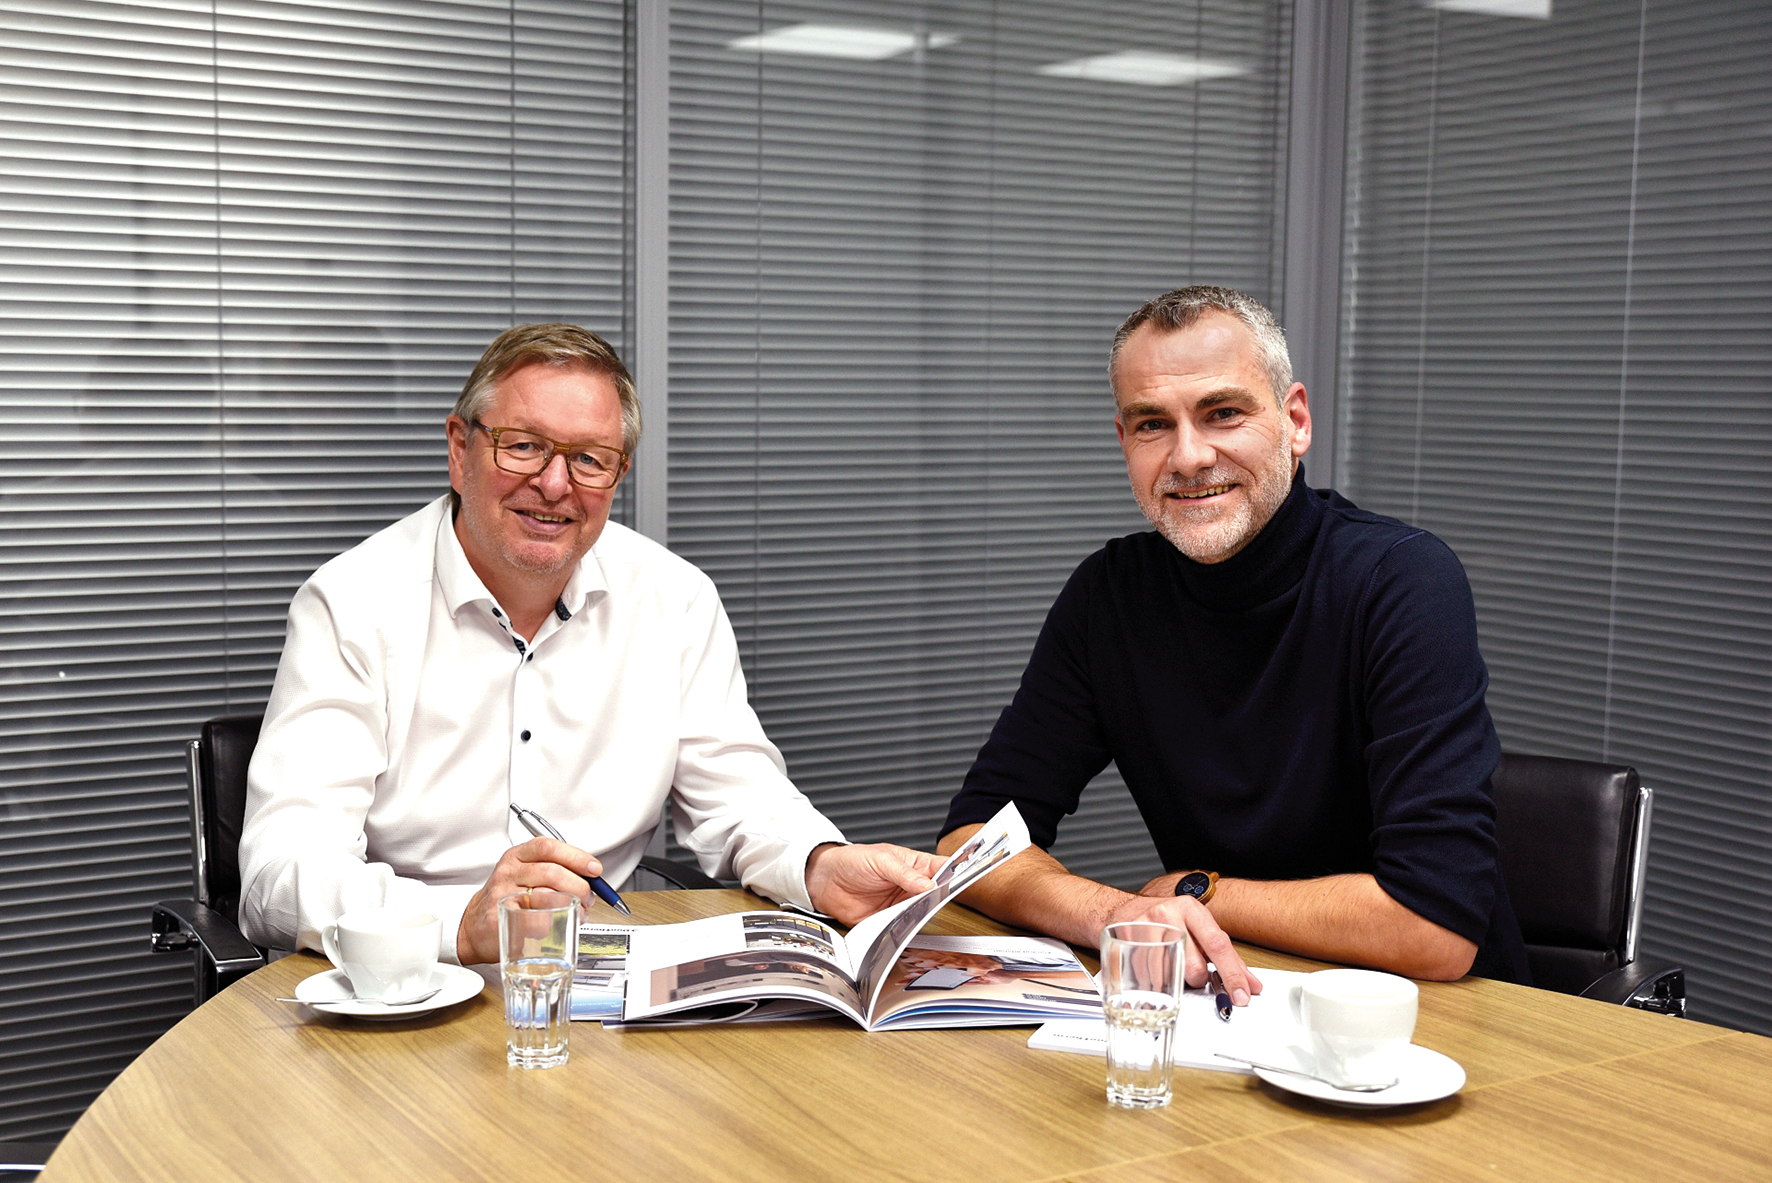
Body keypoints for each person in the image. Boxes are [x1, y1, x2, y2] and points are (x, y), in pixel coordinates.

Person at [239, 324, 938, 965]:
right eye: (523, 444)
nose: (553, 484)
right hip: (408, 984)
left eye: (588, 459)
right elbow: (280, 871)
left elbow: (742, 804)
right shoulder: (353, 602)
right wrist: (460, 922)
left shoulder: (675, 599)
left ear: (618, 475)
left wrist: (819, 864)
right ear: (459, 449)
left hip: (600, 988)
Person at [937, 286, 1529, 1005]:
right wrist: (1113, 912)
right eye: (1153, 424)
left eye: (1222, 412)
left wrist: (1196, 892)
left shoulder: (1400, 578)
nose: (1189, 456)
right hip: (1233, 1004)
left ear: (1295, 421)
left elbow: (1436, 925)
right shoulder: (1110, 595)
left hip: (1441, 1021)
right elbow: (972, 840)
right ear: (1125, 444)